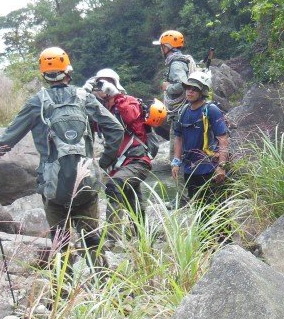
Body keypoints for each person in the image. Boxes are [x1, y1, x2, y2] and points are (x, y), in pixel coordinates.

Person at [0, 47, 124, 269]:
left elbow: (9, 137)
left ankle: (63, 286)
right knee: (92, 239)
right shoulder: (84, 97)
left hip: (54, 188)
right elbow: (116, 129)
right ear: (68, 71)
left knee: (60, 243)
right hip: (86, 182)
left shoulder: (37, 102)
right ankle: (102, 281)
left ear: (44, 75)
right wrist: (101, 163)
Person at [85, 68, 154, 230]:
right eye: (99, 84)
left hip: (138, 161)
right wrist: (85, 94)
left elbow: (131, 115)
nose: (102, 87)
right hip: (118, 164)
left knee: (115, 186)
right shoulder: (99, 110)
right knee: (133, 199)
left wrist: (115, 95)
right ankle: (143, 234)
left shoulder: (128, 102)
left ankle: (111, 235)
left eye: (106, 83)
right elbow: (86, 123)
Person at [170, 70, 229, 204]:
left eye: (194, 89)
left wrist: (222, 166)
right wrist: (176, 162)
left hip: (209, 168)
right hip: (190, 169)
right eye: (188, 87)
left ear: (202, 91)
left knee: (215, 209)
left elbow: (223, 139)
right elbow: (178, 138)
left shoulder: (211, 110)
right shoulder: (183, 111)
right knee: (197, 208)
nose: (190, 91)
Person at [153, 29, 195, 159]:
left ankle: (177, 170)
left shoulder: (176, 64)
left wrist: (168, 87)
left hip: (178, 113)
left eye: (162, 46)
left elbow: (182, 85)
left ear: (167, 47)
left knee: (175, 152)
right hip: (182, 111)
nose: (161, 50)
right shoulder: (181, 60)